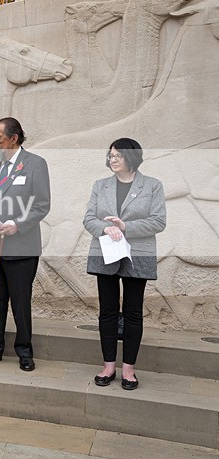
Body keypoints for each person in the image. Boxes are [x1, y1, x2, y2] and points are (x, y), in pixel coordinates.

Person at [83, 138, 166, 390]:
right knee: (107, 311)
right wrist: (106, 227)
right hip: (105, 253)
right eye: (110, 156)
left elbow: (158, 221)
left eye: (117, 155)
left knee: (132, 312)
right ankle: (108, 365)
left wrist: (126, 226)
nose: (112, 160)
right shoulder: (101, 185)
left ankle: (128, 369)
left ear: (131, 157)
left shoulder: (152, 186)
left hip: (137, 254)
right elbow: (88, 218)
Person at [0, 117, 50, 372]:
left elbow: (41, 205)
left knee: (20, 301)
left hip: (21, 247)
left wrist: (18, 224)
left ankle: (24, 351)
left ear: (14, 138)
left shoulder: (35, 164)